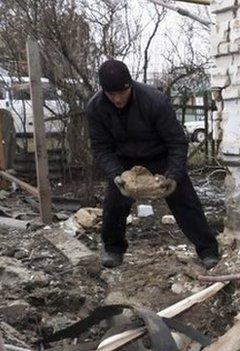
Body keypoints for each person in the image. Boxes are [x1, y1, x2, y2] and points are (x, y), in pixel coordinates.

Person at [86, 59, 220, 269]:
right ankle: (113, 249)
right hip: (124, 161)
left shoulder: (154, 100)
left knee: (185, 201)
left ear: (130, 84)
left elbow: (177, 142)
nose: (118, 99)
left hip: (161, 156)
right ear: (104, 92)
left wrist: (174, 176)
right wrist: (117, 174)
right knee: (114, 203)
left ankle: (208, 250)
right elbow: (101, 148)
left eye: (122, 93)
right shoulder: (95, 108)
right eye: (112, 95)